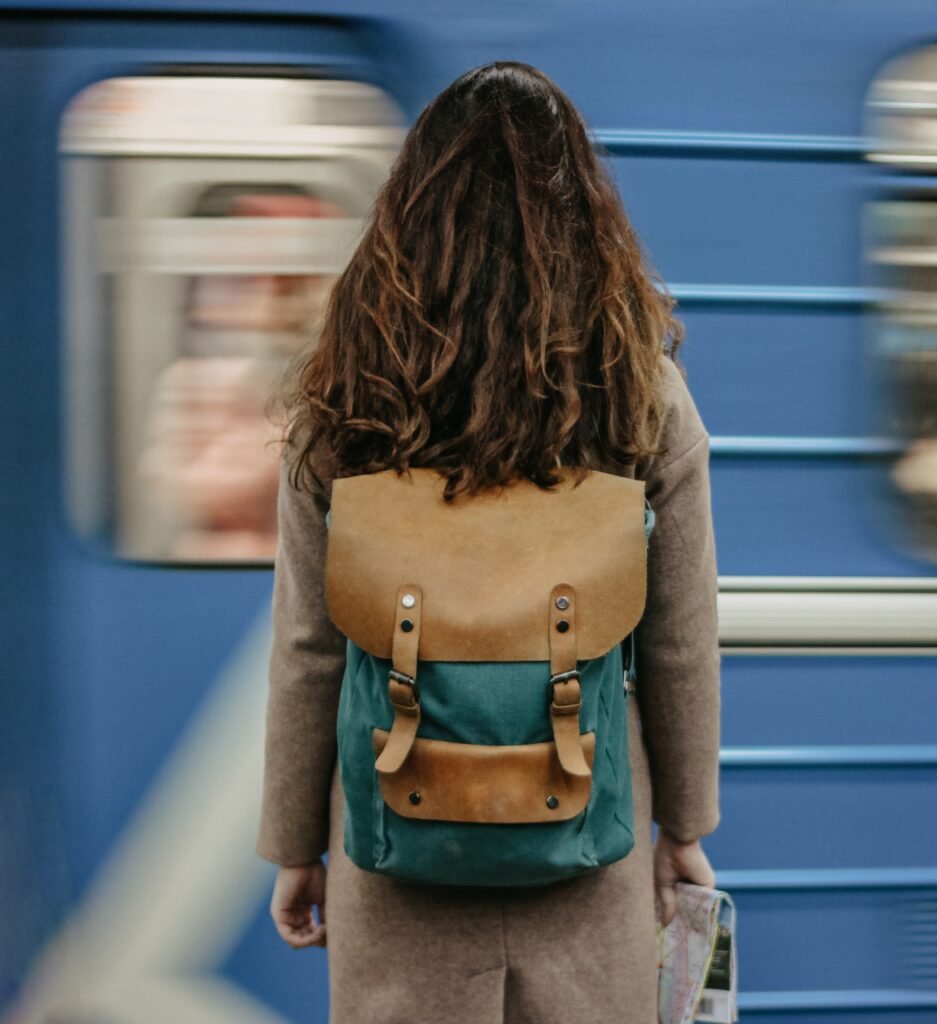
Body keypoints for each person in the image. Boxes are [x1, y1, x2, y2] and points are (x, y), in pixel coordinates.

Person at [257, 60, 722, 1024]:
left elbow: (309, 649)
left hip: (397, 855)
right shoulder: (643, 396)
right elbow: (679, 639)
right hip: (589, 852)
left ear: (407, 215)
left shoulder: (342, 404)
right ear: (585, 222)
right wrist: (684, 830)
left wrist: (298, 848)